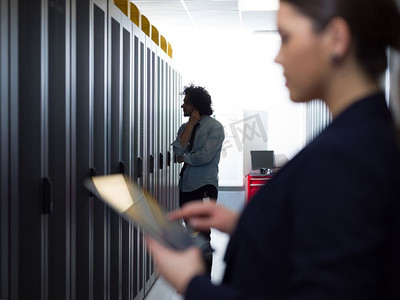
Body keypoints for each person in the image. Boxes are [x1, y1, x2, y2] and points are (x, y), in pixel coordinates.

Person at [147, 0, 400, 298]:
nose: (278, 57)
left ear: (336, 38)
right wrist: (248, 226)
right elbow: (321, 242)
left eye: (286, 37)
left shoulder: (345, 156)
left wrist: (191, 283)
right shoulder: (361, 136)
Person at [171, 84, 225, 276]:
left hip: (204, 187)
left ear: (196, 105)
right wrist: (191, 125)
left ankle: (205, 282)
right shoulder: (185, 127)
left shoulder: (215, 128)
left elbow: (204, 156)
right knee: (191, 234)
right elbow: (177, 150)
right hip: (185, 186)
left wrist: (184, 157)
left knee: (202, 234)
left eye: (186, 102)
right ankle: (194, 276)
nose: (182, 106)